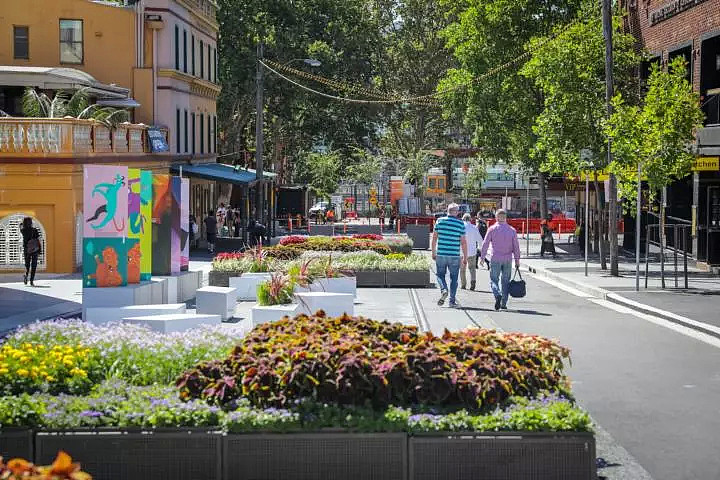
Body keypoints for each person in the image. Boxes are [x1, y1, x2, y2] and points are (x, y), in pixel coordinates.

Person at [480, 209, 521, 311]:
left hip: (495, 258)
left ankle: (497, 293)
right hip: (507, 259)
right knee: (505, 281)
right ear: (505, 217)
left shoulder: (492, 229)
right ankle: (503, 303)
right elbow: (516, 247)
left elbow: (485, 244)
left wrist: (482, 257)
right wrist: (517, 260)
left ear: (496, 217)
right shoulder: (512, 230)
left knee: (494, 280)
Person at [431, 203, 468, 308]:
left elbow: (434, 239)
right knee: (454, 278)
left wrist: (433, 252)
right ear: (456, 212)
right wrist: (465, 257)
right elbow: (463, 242)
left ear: (447, 211)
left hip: (441, 254)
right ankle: (452, 301)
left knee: (440, 275)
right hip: (454, 255)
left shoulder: (440, 221)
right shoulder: (460, 224)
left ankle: (444, 290)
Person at [460, 213, 483, 291]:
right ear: (470, 219)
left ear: (463, 219)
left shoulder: (460, 227)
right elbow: (480, 239)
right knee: (472, 268)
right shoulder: (474, 228)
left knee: (462, 269)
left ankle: (463, 284)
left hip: (462, 252)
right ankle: (473, 282)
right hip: (472, 252)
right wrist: (481, 249)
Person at [20, 217, 41, 287]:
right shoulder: (34, 230)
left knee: (27, 264)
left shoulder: (23, 230)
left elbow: (20, 225)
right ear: (31, 222)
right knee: (34, 265)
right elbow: (38, 240)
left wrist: (22, 224)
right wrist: (40, 250)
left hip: (26, 250)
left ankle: (26, 274)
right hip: (34, 249)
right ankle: (31, 281)